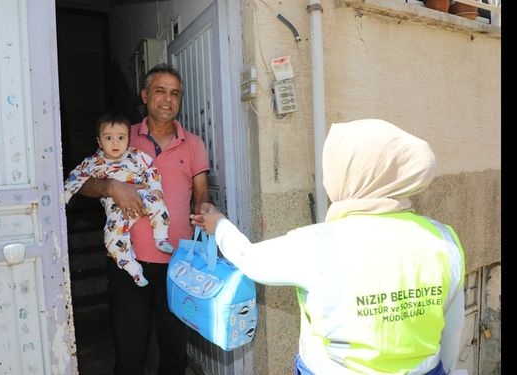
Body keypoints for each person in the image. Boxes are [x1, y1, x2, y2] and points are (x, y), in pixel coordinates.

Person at [191, 119, 465, 375]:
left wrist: (219, 225)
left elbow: (249, 259)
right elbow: (453, 328)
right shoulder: (443, 238)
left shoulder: (318, 243)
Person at [77, 63, 211, 375]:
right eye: (161, 91)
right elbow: (83, 184)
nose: (168, 99)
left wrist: (206, 212)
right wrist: (112, 186)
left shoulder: (193, 144)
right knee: (129, 351)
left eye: (175, 93)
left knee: (174, 350)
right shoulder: (122, 136)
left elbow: (201, 194)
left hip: (179, 264)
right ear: (145, 95)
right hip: (128, 262)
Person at [64, 112, 174, 287]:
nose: (115, 143)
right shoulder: (93, 162)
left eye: (121, 137)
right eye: (109, 138)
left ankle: (161, 237)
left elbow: (151, 170)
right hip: (117, 211)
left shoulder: (136, 156)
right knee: (111, 240)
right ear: (99, 142)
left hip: (141, 198)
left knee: (158, 204)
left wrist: (156, 189)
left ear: (128, 140)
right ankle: (134, 270)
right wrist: (63, 199)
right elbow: (74, 179)